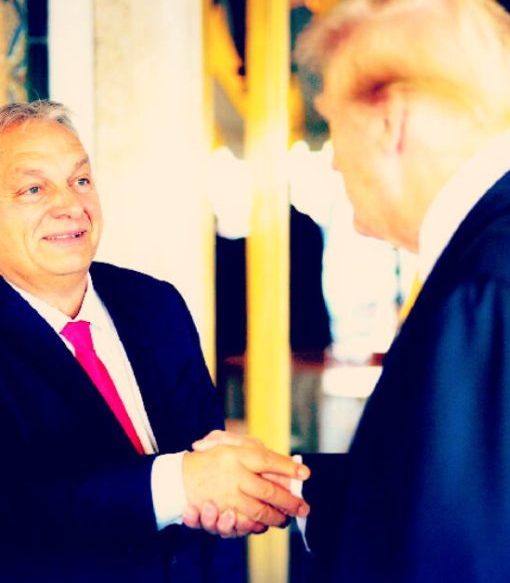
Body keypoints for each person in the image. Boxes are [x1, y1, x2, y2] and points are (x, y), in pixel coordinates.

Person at [186, 0, 510, 581]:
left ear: (388, 121)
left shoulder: (492, 293)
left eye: (332, 123)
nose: (335, 163)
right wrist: (291, 485)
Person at [0, 100, 310, 583]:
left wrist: (226, 492)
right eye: (33, 188)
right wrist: (180, 485)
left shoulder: (154, 303)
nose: (71, 206)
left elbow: (203, 460)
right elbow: (18, 507)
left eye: (81, 180)